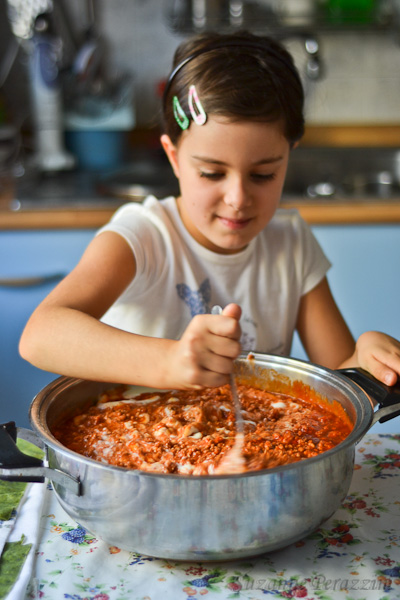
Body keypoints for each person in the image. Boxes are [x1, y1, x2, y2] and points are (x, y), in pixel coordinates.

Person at [19, 30, 400, 392]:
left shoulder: (291, 243)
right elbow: (40, 336)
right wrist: (169, 361)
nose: (237, 197)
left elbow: (339, 392)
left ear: (288, 159)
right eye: (212, 173)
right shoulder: (143, 237)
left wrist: (366, 363)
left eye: (263, 174)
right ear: (174, 157)